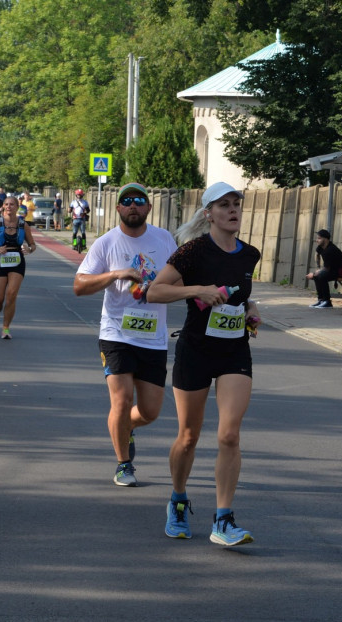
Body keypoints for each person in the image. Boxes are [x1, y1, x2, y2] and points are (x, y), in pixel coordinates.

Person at [146, 181, 261, 546]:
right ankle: (178, 499)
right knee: (189, 436)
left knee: (229, 434)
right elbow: (155, 291)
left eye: (237, 204)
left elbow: (244, 297)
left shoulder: (250, 254)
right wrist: (197, 290)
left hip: (234, 352)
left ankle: (223, 519)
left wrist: (252, 311)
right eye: (224, 205)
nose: (233, 210)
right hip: (195, 350)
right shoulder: (192, 252)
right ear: (208, 213)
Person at [73, 183, 177, 487]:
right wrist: (116, 274)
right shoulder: (107, 243)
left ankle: (126, 427)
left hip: (153, 337)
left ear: (148, 207)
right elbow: (79, 285)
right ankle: (123, 464)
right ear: (118, 208)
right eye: (127, 201)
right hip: (116, 334)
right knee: (121, 400)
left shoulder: (164, 239)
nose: (133, 205)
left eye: (139, 201)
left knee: (149, 411)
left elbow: (183, 277)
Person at [0, 195, 36, 339]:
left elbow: (32, 244)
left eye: (12, 204)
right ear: (3, 207)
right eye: (6, 204)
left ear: (17, 207)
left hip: (17, 260)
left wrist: (28, 249)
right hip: (0, 259)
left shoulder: (23, 224)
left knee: (11, 294)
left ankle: (6, 328)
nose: (8, 207)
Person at [306, 229, 342, 308]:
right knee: (317, 275)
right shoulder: (321, 247)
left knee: (321, 276)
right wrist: (318, 267)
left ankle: (327, 302)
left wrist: (315, 273)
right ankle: (321, 300)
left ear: (326, 239)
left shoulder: (330, 250)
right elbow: (317, 254)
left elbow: (326, 269)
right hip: (333, 269)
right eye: (317, 238)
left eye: (319, 238)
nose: (317, 240)